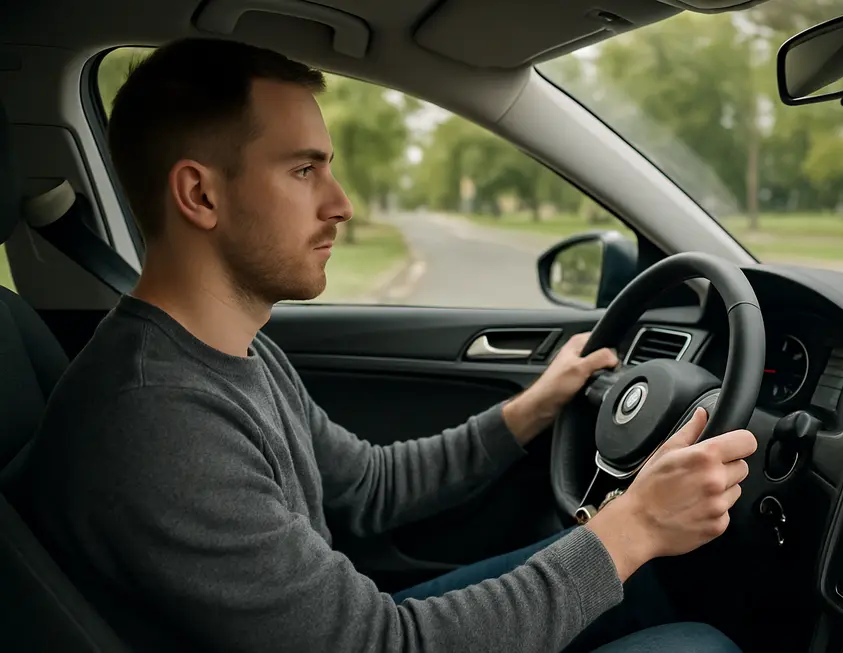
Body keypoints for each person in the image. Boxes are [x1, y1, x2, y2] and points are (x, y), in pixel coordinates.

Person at [18, 38, 756, 653]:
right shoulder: (159, 422)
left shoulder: (233, 349)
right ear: (200, 195)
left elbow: (369, 486)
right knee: (699, 645)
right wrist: (632, 526)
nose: (340, 204)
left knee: (638, 583)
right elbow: (384, 646)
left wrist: (531, 409)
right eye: (304, 169)